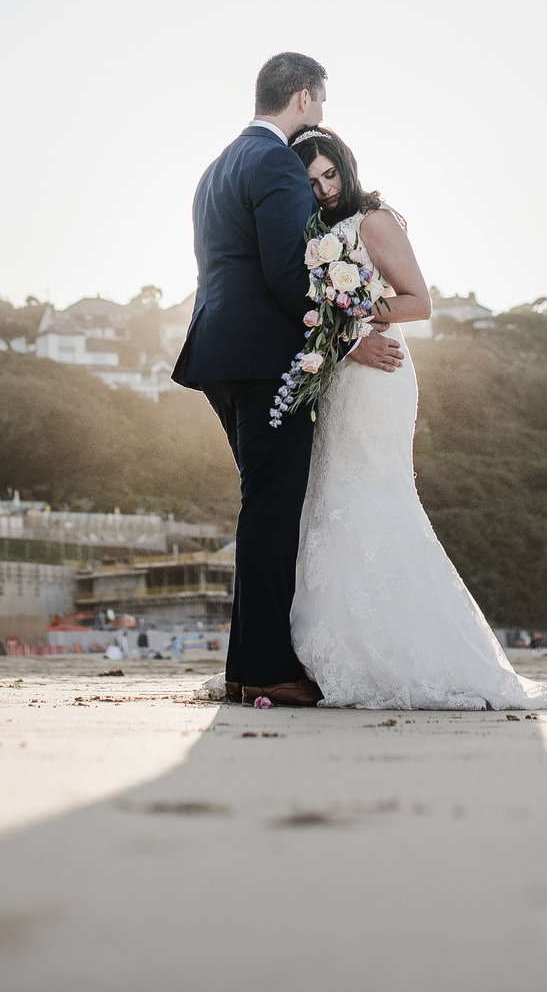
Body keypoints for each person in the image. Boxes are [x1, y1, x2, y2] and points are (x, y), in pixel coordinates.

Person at [273, 124, 547, 711]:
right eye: (313, 182)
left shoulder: (375, 221)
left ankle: (407, 651)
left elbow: (419, 302)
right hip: (341, 375)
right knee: (329, 496)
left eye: (331, 174)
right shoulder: (315, 233)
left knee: (377, 495)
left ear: (346, 167)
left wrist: (350, 317)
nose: (325, 188)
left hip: (379, 376)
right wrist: (344, 338)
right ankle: (331, 650)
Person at [173, 53, 405, 708]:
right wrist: (347, 339)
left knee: (262, 507)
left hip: (218, 353)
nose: (321, 114)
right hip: (265, 357)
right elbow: (285, 272)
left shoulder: (216, 168)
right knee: (273, 512)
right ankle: (268, 669)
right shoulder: (275, 161)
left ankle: (246, 668)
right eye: (320, 102)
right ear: (303, 96)